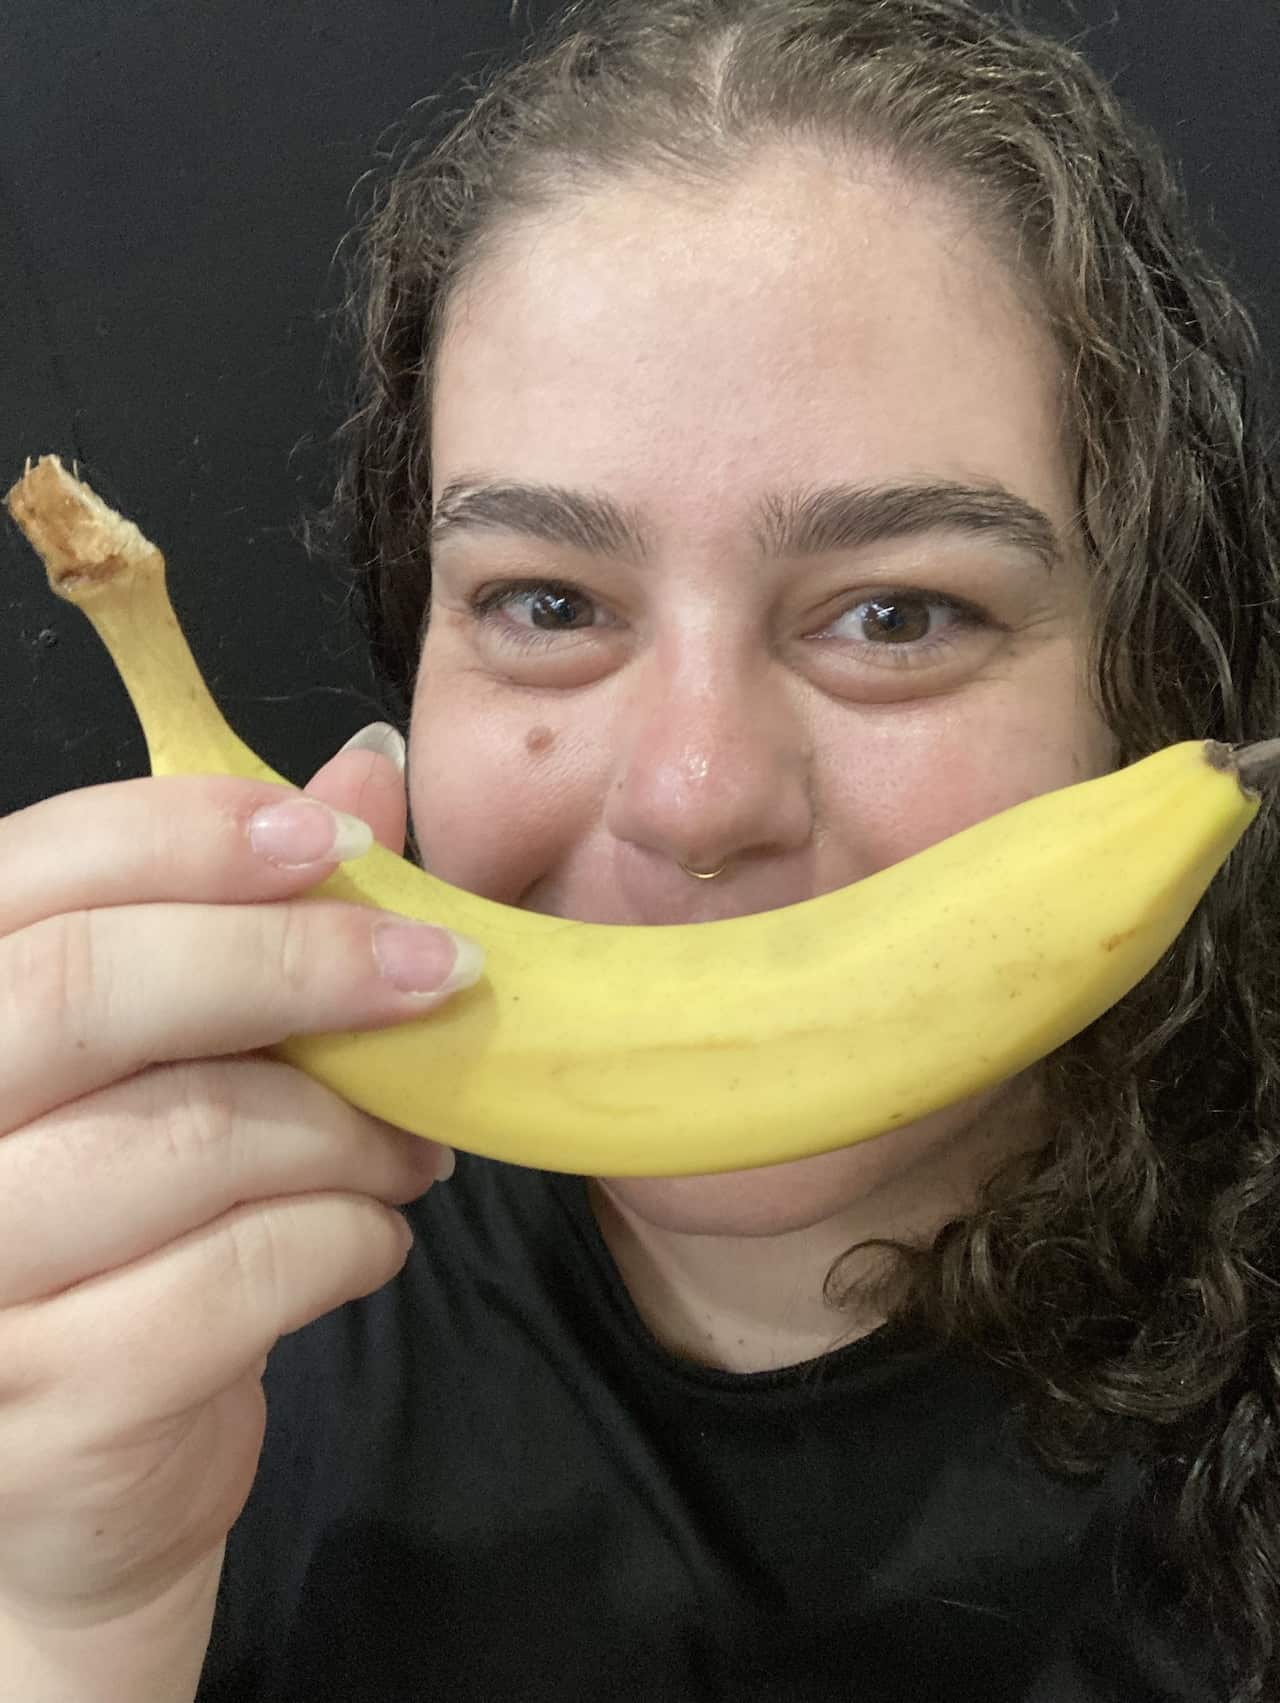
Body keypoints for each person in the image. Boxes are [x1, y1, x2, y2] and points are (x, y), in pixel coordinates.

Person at [2, 0, 1278, 1698]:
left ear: (1151, 680)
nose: (691, 796)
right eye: (545, 603)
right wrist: (71, 1636)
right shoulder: (170, 1340)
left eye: (897, 613)